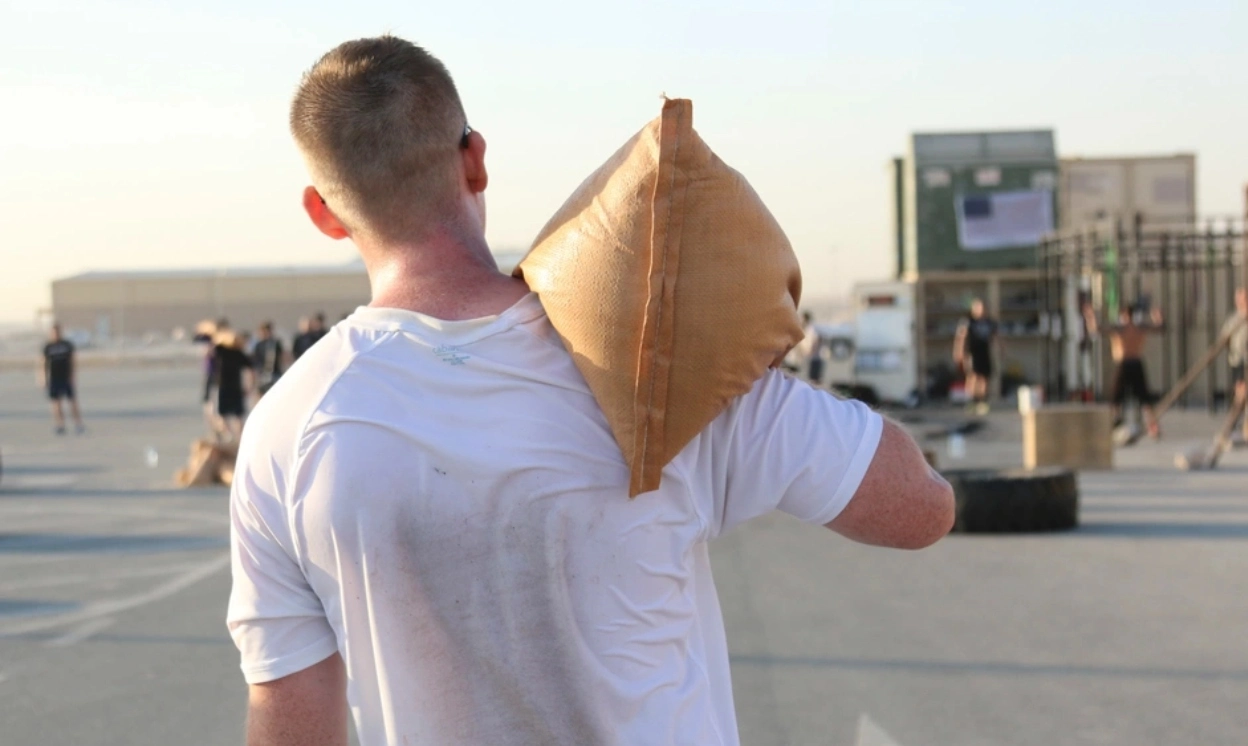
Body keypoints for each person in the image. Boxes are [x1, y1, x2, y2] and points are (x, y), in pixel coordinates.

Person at [227, 36, 954, 746]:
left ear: (323, 212)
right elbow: (920, 509)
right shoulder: (656, 370)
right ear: (475, 161)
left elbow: (293, 707)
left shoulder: (284, 431)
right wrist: (738, 360)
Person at [1093, 304, 1165, 438]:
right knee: (1144, 398)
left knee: (1116, 397)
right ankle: (1153, 427)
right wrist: (1158, 316)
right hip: (1137, 363)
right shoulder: (1139, 328)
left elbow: (1098, 329)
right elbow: (1159, 327)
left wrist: (1090, 317)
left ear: (1125, 315)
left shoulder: (1120, 328)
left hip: (1124, 364)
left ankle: (1114, 424)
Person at [1220, 287, 1248, 414]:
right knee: (1239, 386)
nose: (1240, 301)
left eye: (1243, 299)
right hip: (1236, 357)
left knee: (1245, 387)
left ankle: (1244, 411)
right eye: (1238, 299)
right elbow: (1225, 337)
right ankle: (1241, 410)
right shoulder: (1233, 317)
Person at [953, 298, 1000, 415]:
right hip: (972, 353)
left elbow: (997, 336)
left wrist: (1002, 350)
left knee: (985, 377)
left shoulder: (990, 322)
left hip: (985, 352)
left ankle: (982, 401)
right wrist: (959, 352)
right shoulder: (968, 322)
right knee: (973, 376)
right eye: (978, 308)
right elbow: (961, 338)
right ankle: (971, 401)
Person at [40, 324, 83, 435]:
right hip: (54, 378)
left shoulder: (67, 345)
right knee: (56, 403)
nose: (56, 334)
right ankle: (60, 425)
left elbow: (72, 361)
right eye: (53, 332)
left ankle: (78, 424)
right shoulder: (48, 346)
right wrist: (42, 378)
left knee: (72, 402)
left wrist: (73, 376)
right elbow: (43, 363)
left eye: (57, 332)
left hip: (66, 377)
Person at [212, 329, 254, 443]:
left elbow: (250, 368)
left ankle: (238, 437)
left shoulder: (238, 353)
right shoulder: (222, 350)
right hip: (224, 386)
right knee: (223, 414)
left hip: (233, 387)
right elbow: (214, 342)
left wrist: (249, 385)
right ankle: (229, 434)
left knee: (237, 415)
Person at [251, 321, 285, 398]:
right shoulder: (259, 345)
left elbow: (281, 358)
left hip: (275, 373)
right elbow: (256, 361)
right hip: (262, 374)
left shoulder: (275, 343)